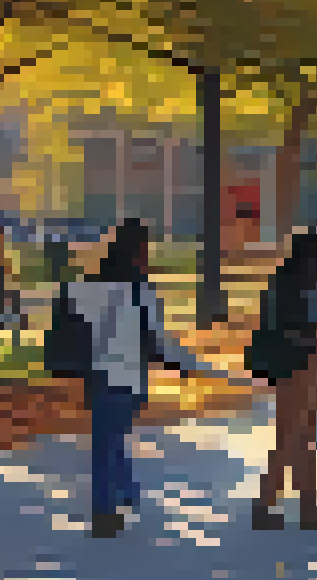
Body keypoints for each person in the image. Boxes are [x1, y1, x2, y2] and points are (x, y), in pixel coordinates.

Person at [51, 218, 239, 538]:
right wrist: (194, 365)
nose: (149, 257)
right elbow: (159, 343)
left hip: (98, 376)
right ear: (137, 252)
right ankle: (108, 509)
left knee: (108, 439)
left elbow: (74, 333)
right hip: (128, 378)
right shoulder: (142, 292)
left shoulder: (91, 287)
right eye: (145, 250)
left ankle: (123, 497)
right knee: (112, 440)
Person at [248, 230, 317, 530]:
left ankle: (306, 505)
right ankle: (270, 505)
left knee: (293, 436)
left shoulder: (279, 281)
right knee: (295, 437)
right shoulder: (312, 287)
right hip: (308, 363)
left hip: (286, 365)